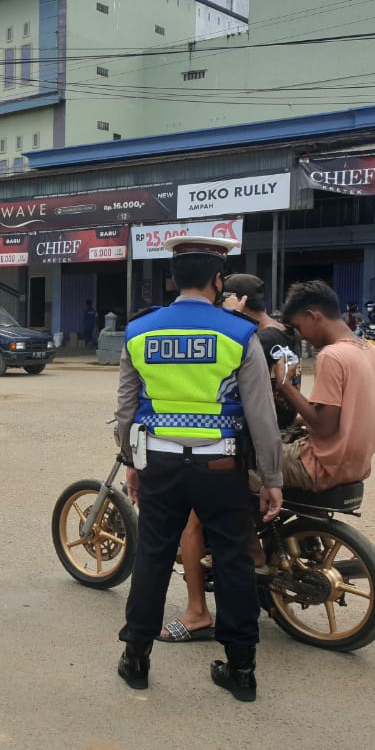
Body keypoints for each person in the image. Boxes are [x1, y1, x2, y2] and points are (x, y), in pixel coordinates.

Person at [114, 236, 283, 702]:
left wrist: (131, 462)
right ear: (217, 280)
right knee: (232, 560)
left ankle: (137, 660)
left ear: (173, 279)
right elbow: (262, 416)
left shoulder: (140, 331)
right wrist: (272, 479)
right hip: (221, 464)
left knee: (151, 555)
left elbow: (126, 409)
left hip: (160, 462)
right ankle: (242, 671)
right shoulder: (240, 334)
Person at [161, 272, 302, 643]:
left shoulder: (252, 335)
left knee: (192, 525)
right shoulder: (286, 334)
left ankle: (196, 611)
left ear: (235, 298)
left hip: (245, 443)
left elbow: (252, 404)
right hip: (282, 432)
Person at [268, 280, 375, 492]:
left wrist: (285, 384)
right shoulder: (373, 353)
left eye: (299, 327)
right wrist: (295, 421)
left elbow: (324, 426)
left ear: (313, 316)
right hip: (355, 466)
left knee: (244, 464)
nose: (302, 336)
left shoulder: (332, 356)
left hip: (321, 466)